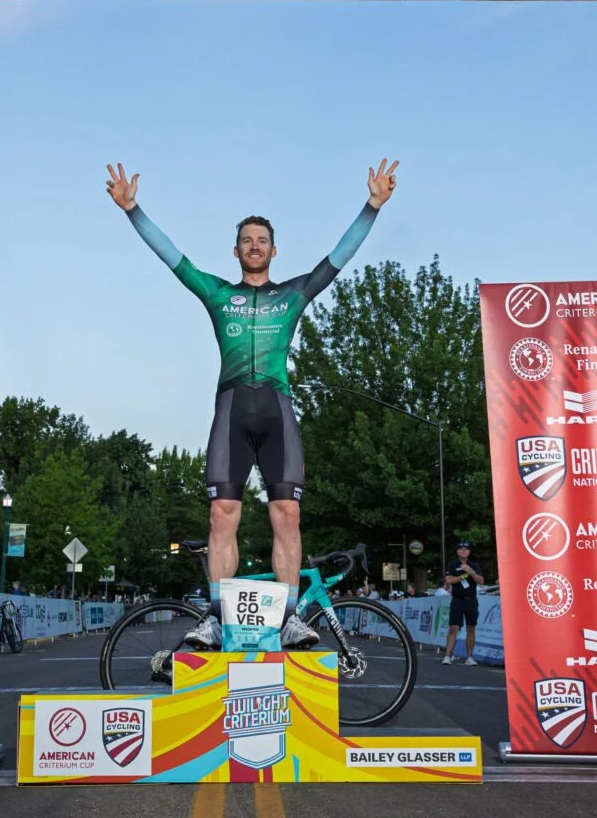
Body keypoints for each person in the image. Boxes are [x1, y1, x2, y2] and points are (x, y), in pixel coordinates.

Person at [108, 158, 399, 650]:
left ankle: (289, 619)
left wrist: (372, 206)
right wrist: (132, 210)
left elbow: (338, 257)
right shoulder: (218, 294)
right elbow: (174, 258)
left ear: (273, 250)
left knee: (287, 514)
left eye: (262, 240)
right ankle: (215, 618)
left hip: (277, 411)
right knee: (222, 514)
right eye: (247, 240)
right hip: (232, 412)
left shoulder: (293, 294)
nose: (255, 245)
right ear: (236, 250)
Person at [441, 541, 483, 665]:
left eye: (466, 549)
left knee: (471, 628)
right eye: (461, 549)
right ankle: (447, 656)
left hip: (471, 600)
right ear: (457, 551)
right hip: (458, 599)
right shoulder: (453, 565)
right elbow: (449, 580)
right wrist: (464, 576)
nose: (463, 551)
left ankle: (469, 657)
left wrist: (471, 572)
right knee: (453, 628)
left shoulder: (474, 565)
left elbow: (481, 580)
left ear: (469, 552)